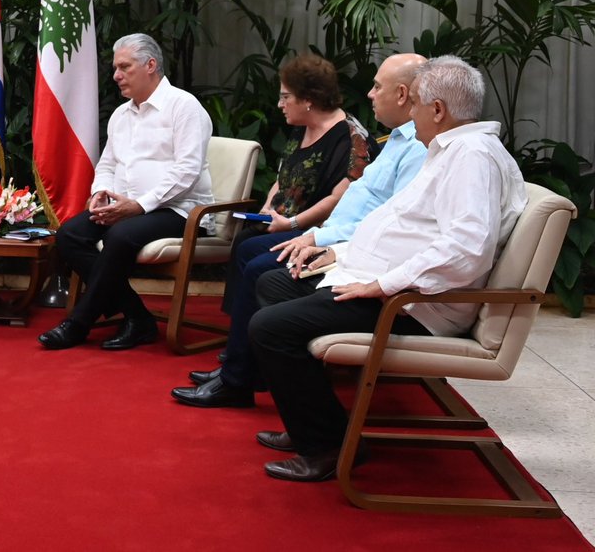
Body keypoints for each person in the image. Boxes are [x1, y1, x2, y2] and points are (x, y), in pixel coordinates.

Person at [248, 55, 526, 482]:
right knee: (274, 283)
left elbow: (466, 248)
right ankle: (318, 422)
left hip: (416, 305)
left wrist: (380, 283)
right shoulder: (450, 150)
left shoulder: (471, 157)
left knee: (270, 327)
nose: (409, 112)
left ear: (438, 110)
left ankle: (328, 447)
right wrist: (342, 255)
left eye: (414, 103)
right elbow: (402, 224)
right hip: (396, 288)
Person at [172, 53, 427, 408]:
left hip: (346, 246)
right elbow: (290, 180)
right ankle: (240, 365)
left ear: (403, 94)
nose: (368, 93)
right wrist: (274, 213)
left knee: (263, 266)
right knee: (251, 247)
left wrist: (305, 231)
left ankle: (242, 374)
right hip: (336, 239)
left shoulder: (395, 144)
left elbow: (368, 211)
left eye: (376, 86)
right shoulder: (397, 140)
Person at [37, 33, 214, 351]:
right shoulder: (121, 115)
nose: (116, 75)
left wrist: (139, 205)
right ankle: (138, 317)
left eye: (124, 67)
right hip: (127, 208)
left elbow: (186, 172)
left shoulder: (184, 107)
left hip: (179, 210)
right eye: (115, 68)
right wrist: (100, 194)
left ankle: (79, 323)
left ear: (150, 65)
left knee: (121, 236)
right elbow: (107, 165)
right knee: (69, 235)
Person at [219, 53, 376, 316]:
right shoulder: (300, 126)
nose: (280, 104)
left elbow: (338, 199)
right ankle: (239, 327)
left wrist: (291, 223)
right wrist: (269, 208)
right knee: (245, 238)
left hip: (316, 229)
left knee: (251, 249)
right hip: (283, 221)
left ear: (308, 100)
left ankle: (248, 333)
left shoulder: (351, 139)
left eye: (285, 97)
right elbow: (284, 177)